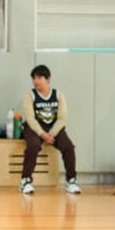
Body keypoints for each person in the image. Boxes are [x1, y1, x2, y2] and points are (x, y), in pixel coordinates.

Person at [19, 65, 81, 195]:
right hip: (34, 128)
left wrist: (52, 133)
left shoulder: (58, 95)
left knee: (68, 147)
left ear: (48, 79)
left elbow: (62, 118)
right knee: (33, 146)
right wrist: (42, 134)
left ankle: (71, 180)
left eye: (39, 78)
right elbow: (30, 118)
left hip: (54, 128)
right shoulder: (30, 96)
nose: (36, 81)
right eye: (34, 78)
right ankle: (26, 181)